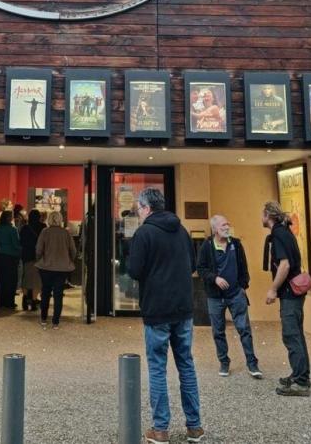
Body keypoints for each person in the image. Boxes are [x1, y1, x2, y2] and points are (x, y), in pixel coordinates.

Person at [127, 188, 204, 444]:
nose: (138, 212)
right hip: (183, 308)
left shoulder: (144, 233)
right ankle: (194, 426)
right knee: (186, 364)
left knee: (158, 367)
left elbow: (135, 270)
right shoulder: (181, 231)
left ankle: (160, 429)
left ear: (147, 208)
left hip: (157, 309)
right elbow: (192, 265)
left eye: (139, 208)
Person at [197, 215, 262, 379]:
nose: (227, 227)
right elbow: (201, 269)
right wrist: (215, 279)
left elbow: (243, 266)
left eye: (228, 224)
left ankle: (252, 363)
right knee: (218, 331)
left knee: (244, 329)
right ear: (215, 229)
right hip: (215, 297)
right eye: (223, 225)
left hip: (235, 294)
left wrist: (243, 286)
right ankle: (224, 362)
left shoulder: (236, 244)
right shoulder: (206, 246)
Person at [262, 201, 311, 396]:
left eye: (262, 214)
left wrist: (273, 289)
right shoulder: (286, 231)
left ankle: (301, 382)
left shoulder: (279, 235)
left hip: (290, 293)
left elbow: (284, 265)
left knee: (291, 336)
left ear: (267, 215)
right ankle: (300, 374)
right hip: (294, 293)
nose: (261, 218)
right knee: (297, 335)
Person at [35, 211, 76, 330]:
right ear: (60, 219)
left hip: (46, 267)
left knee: (45, 293)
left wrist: (40, 259)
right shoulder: (66, 233)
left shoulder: (45, 232)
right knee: (58, 295)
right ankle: (55, 322)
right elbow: (73, 251)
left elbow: (38, 249)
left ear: (49, 219)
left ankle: (43, 319)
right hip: (62, 268)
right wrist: (69, 260)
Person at [0, 211, 21, 309]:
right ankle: (9, 302)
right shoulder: (12, 229)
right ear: (9, 218)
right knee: (11, 280)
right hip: (10, 257)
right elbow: (15, 244)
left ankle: (0, 302)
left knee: (0, 280)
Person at [20, 209, 46, 311]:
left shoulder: (25, 228)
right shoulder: (43, 227)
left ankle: (25, 299)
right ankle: (34, 300)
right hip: (39, 256)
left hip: (27, 256)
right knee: (37, 279)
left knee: (26, 277)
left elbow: (21, 241)